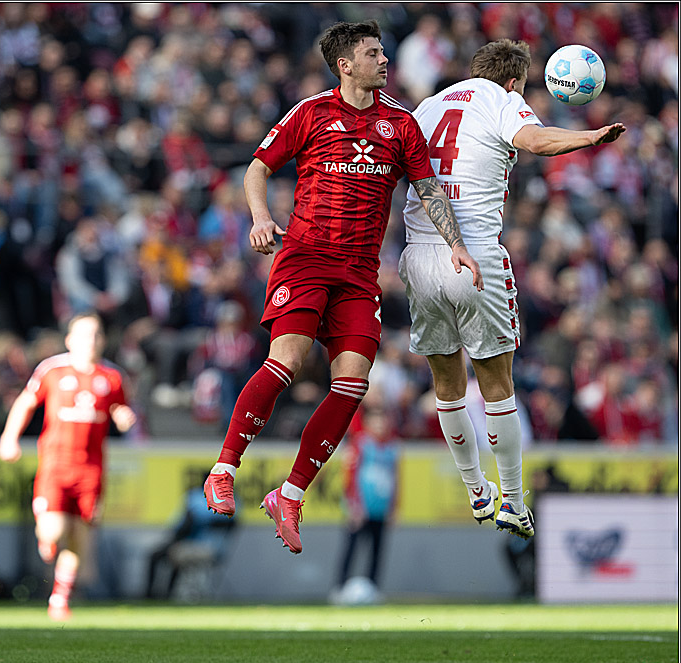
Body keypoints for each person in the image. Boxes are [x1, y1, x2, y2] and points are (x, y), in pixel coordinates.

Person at [202, 20, 481, 555]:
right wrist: (260, 217)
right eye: (373, 53)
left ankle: (289, 495)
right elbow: (257, 168)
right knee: (287, 360)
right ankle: (224, 468)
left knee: (353, 384)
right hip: (305, 257)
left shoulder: (401, 124)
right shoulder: (311, 112)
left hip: (359, 272)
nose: (384, 60)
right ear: (345, 65)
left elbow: (427, 189)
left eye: (383, 52)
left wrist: (457, 245)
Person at [399, 39, 625, 538]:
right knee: (497, 388)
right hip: (474, 254)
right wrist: (590, 138)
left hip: (419, 255)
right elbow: (536, 141)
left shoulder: (428, 105)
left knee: (447, 386)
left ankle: (476, 488)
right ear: (513, 81)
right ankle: (515, 502)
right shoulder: (500, 99)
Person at [0, 312, 136, 620]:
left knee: (80, 537)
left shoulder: (113, 376)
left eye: (96, 335)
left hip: (91, 470)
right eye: (84, 334)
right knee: (54, 531)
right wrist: (9, 438)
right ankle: (47, 539)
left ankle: (59, 599)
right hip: (56, 464)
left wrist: (123, 417)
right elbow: (26, 402)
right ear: (70, 340)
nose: (91, 341)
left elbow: (120, 408)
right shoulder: (52, 369)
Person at [331, 405, 399, 604]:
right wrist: (354, 505)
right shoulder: (360, 444)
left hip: (381, 509)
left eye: (383, 421)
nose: (380, 425)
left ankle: (374, 588)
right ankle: (339, 587)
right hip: (361, 509)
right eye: (376, 422)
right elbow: (351, 476)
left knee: (377, 551)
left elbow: (396, 479)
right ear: (368, 423)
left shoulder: (393, 448)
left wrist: (394, 507)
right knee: (351, 548)